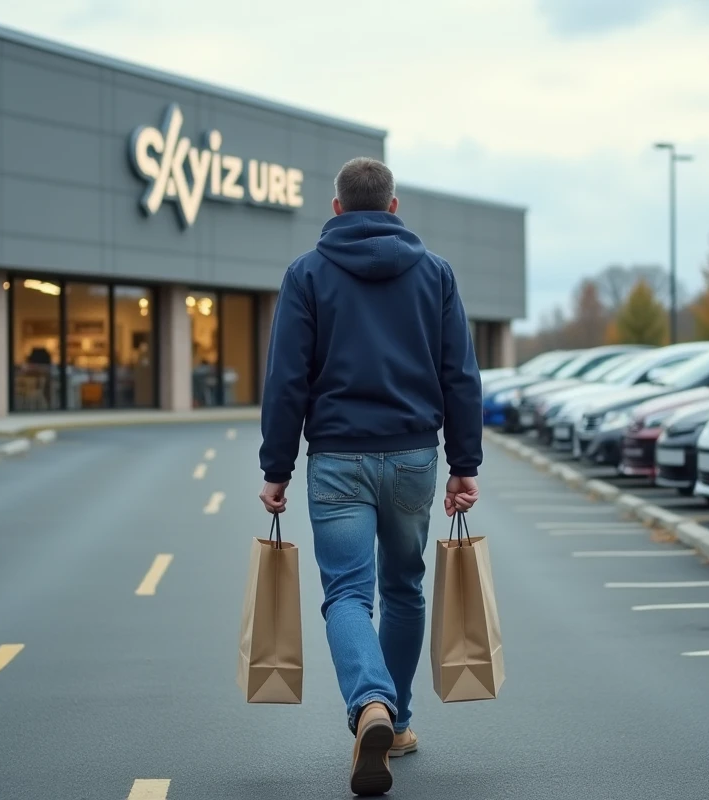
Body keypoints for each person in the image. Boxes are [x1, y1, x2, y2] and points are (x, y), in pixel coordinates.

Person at [258, 157, 483, 796]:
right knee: (405, 588)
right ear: (393, 207)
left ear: (336, 209)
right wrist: (464, 463)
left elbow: (286, 379)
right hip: (414, 456)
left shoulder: (306, 275)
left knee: (348, 594)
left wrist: (277, 468)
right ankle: (397, 718)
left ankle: (370, 705)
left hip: (336, 461)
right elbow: (460, 374)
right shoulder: (435, 274)